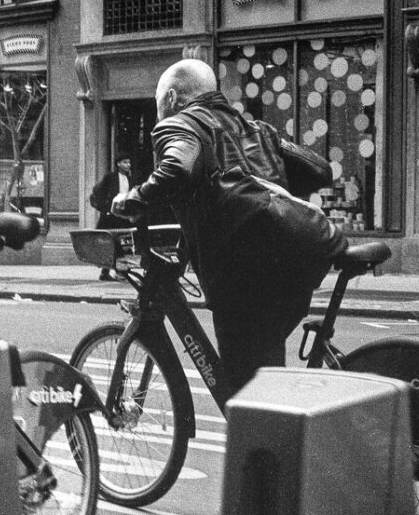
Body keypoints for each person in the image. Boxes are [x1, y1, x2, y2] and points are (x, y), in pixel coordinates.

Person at [110, 58, 345, 402]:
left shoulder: (179, 125)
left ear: (172, 97)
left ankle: (269, 451)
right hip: (292, 271)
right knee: (264, 379)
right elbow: (320, 171)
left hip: (241, 279)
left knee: (246, 399)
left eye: (159, 104)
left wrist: (130, 201)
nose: (160, 114)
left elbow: (177, 168)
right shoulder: (257, 130)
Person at [90, 157, 138, 280]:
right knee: (110, 244)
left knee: (124, 243)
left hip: (124, 216)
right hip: (111, 216)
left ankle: (120, 271)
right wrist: (104, 209)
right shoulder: (110, 178)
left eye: (129, 162)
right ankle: (108, 271)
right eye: (125, 162)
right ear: (118, 164)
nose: (128, 165)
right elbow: (97, 192)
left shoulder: (130, 179)